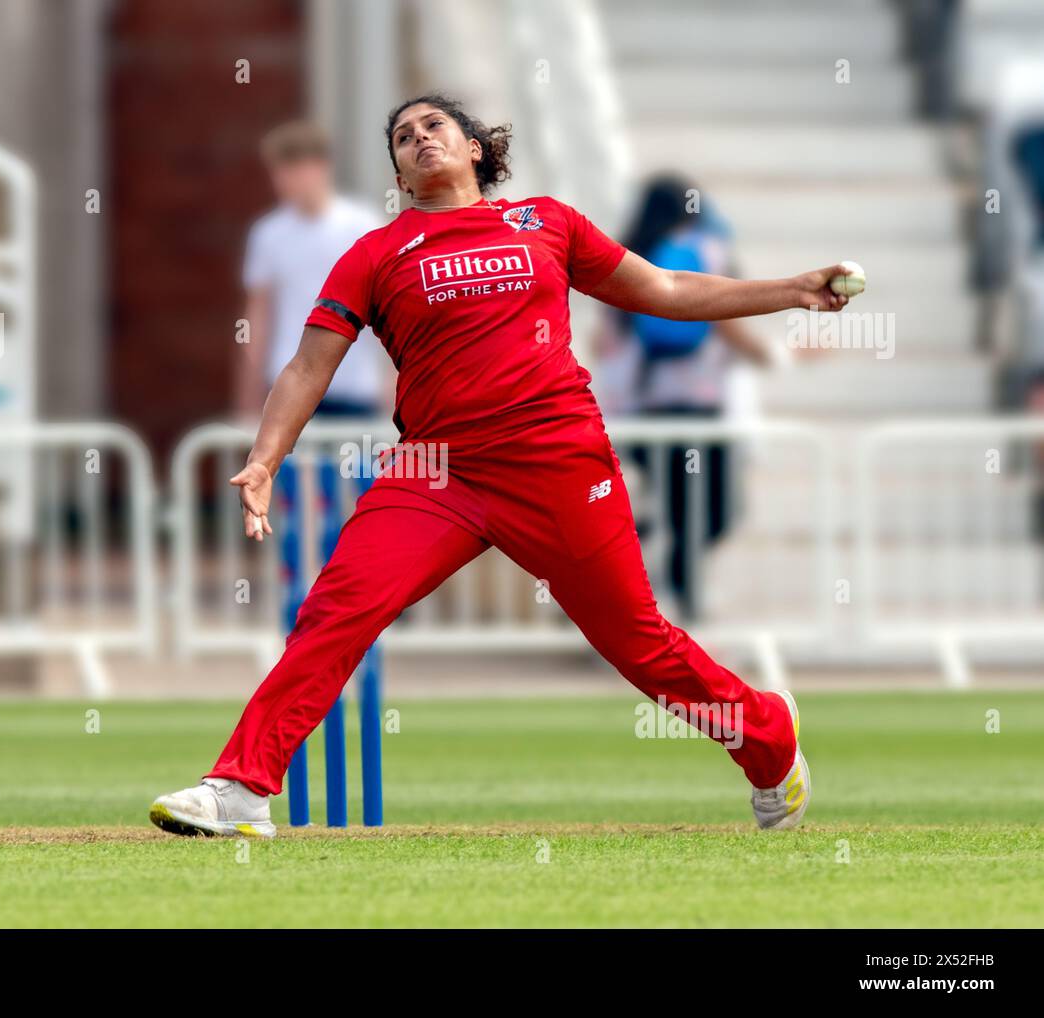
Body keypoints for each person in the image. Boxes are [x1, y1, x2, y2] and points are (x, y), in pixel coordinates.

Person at [152, 93, 850, 838]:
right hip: (435, 473)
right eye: (401, 137)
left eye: (434, 127)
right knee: (335, 610)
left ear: (476, 147)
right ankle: (239, 788)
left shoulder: (545, 221)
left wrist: (790, 291)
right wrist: (265, 458)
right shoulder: (376, 253)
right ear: (396, 167)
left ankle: (769, 737)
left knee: (637, 642)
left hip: (557, 461)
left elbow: (666, 290)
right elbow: (306, 367)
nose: (419, 140)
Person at [613, 174, 783, 619]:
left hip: (643, 411)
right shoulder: (707, 250)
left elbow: (610, 340)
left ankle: (642, 566)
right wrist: (778, 357)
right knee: (714, 511)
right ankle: (683, 597)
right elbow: (729, 320)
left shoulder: (631, 257)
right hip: (698, 409)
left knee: (679, 509)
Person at [236, 120, 386, 421]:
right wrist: (248, 396)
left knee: (357, 468)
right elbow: (258, 316)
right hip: (288, 381)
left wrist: (394, 384)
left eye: (291, 170)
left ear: (319, 167)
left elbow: (388, 308)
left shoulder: (362, 225)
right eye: (278, 172)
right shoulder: (268, 233)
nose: (282, 181)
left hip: (355, 381)